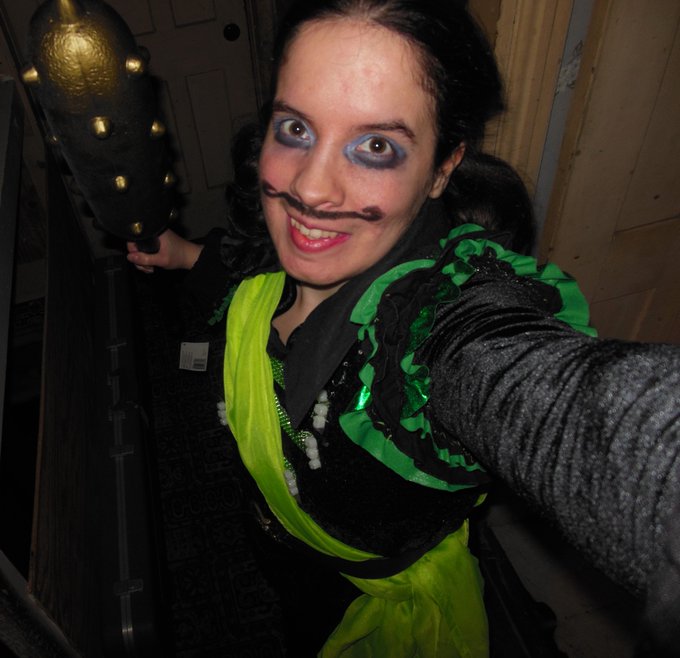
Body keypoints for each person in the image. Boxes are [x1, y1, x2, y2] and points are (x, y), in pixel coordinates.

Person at [127, 1, 680, 656]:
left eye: (376, 146)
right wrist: (183, 255)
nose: (310, 189)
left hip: (372, 608)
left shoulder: (434, 321)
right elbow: (251, 265)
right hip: (283, 562)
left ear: (443, 166)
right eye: (296, 129)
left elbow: (558, 406)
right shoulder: (296, 231)